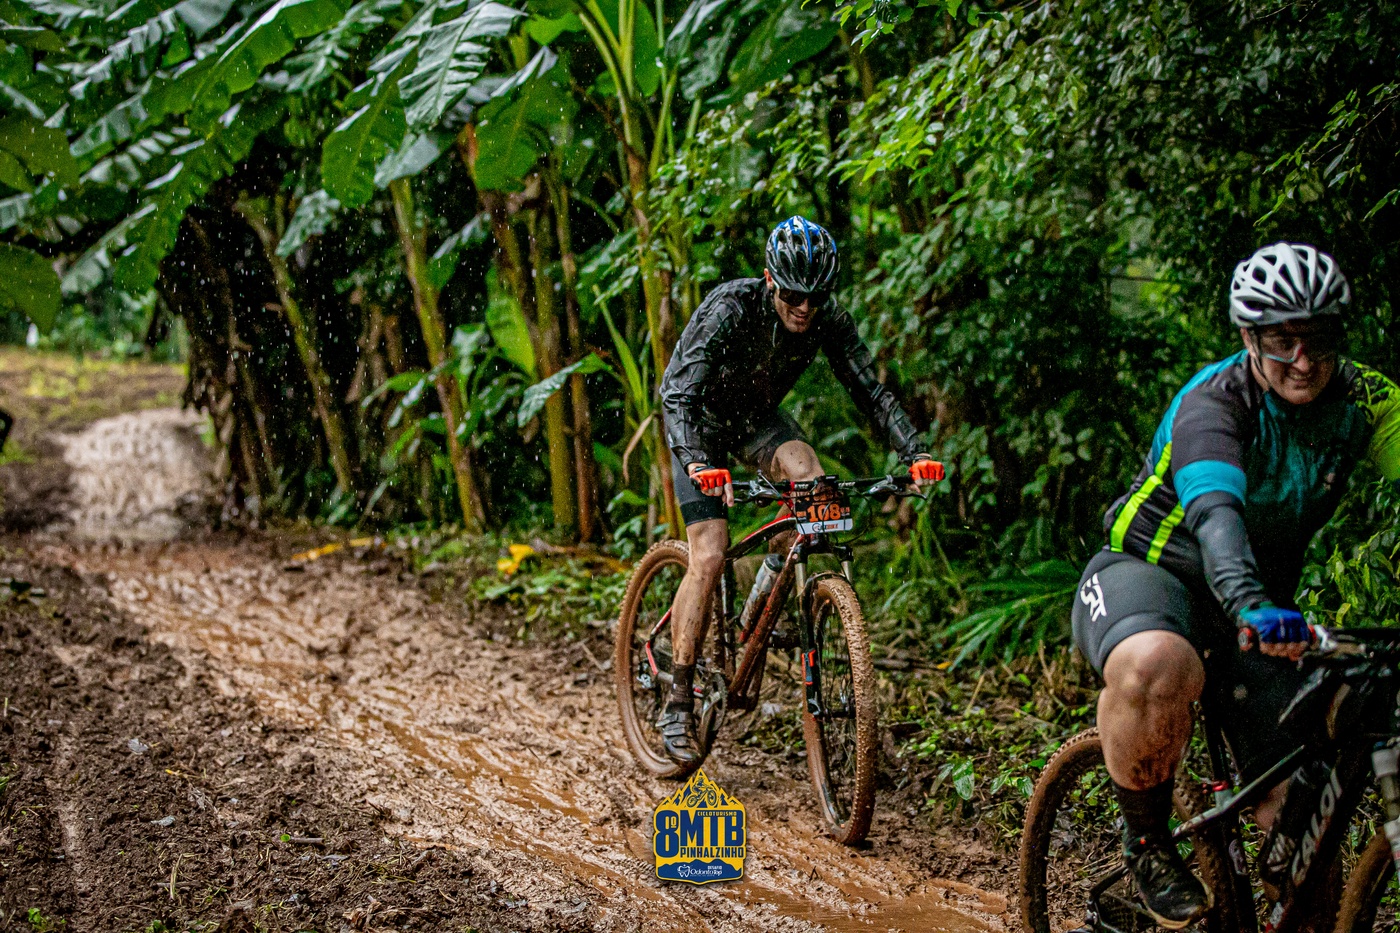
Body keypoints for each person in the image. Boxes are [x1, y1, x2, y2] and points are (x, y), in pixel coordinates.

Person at [1072, 242, 1400, 928]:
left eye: (1318, 339)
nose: (1303, 361)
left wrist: (1257, 609)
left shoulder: (1363, 399)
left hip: (1260, 614)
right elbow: (1216, 517)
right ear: (1250, 338)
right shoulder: (1214, 404)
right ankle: (1147, 844)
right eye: (1282, 341)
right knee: (1159, 664)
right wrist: (1250, 602)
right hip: (1153, 577)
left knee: (1302, 818)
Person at [657, 216, 945, 763]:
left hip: (756, 420)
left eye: (816, 296)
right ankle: (678, 697)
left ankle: (770, 589)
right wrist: (696, 461)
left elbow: (870, 390)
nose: (805, 308)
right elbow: (678, 393)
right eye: (793, 295)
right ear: (770, 281)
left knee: (809, 477)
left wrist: (914, 452)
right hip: (699, 423)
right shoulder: (730, 308)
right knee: (711, 552)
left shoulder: (826, 319)